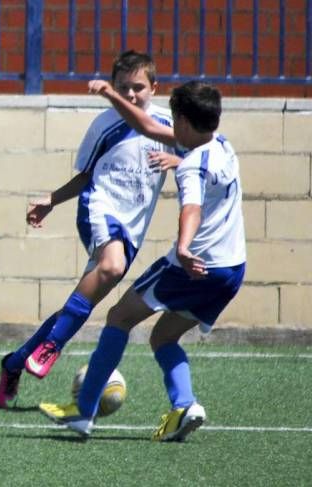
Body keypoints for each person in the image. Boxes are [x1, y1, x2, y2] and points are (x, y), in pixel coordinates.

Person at [40, 80, 246, 442]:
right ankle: (185, 405)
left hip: (191, 265)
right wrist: (113, 96)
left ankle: (83, 411)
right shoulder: (223, 147)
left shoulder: (190, 167)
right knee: (163, 337)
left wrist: (183, 247)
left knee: (119, 317)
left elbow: (192, 209)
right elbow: (149, 126)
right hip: (232, 270)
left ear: (181, 121)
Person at [0, 51, 180, 408]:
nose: (130, 95)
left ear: (154, 88)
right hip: (98, 209)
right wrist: (51, 199)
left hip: (132, 227)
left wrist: (177, 160)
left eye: (138, 87)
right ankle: (54, 345)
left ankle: (15, 362)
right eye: (122, 87)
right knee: (110, 267)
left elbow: (196, 159)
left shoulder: (166, 126)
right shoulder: (104, 125)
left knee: (84, 300)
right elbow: (86, 176)